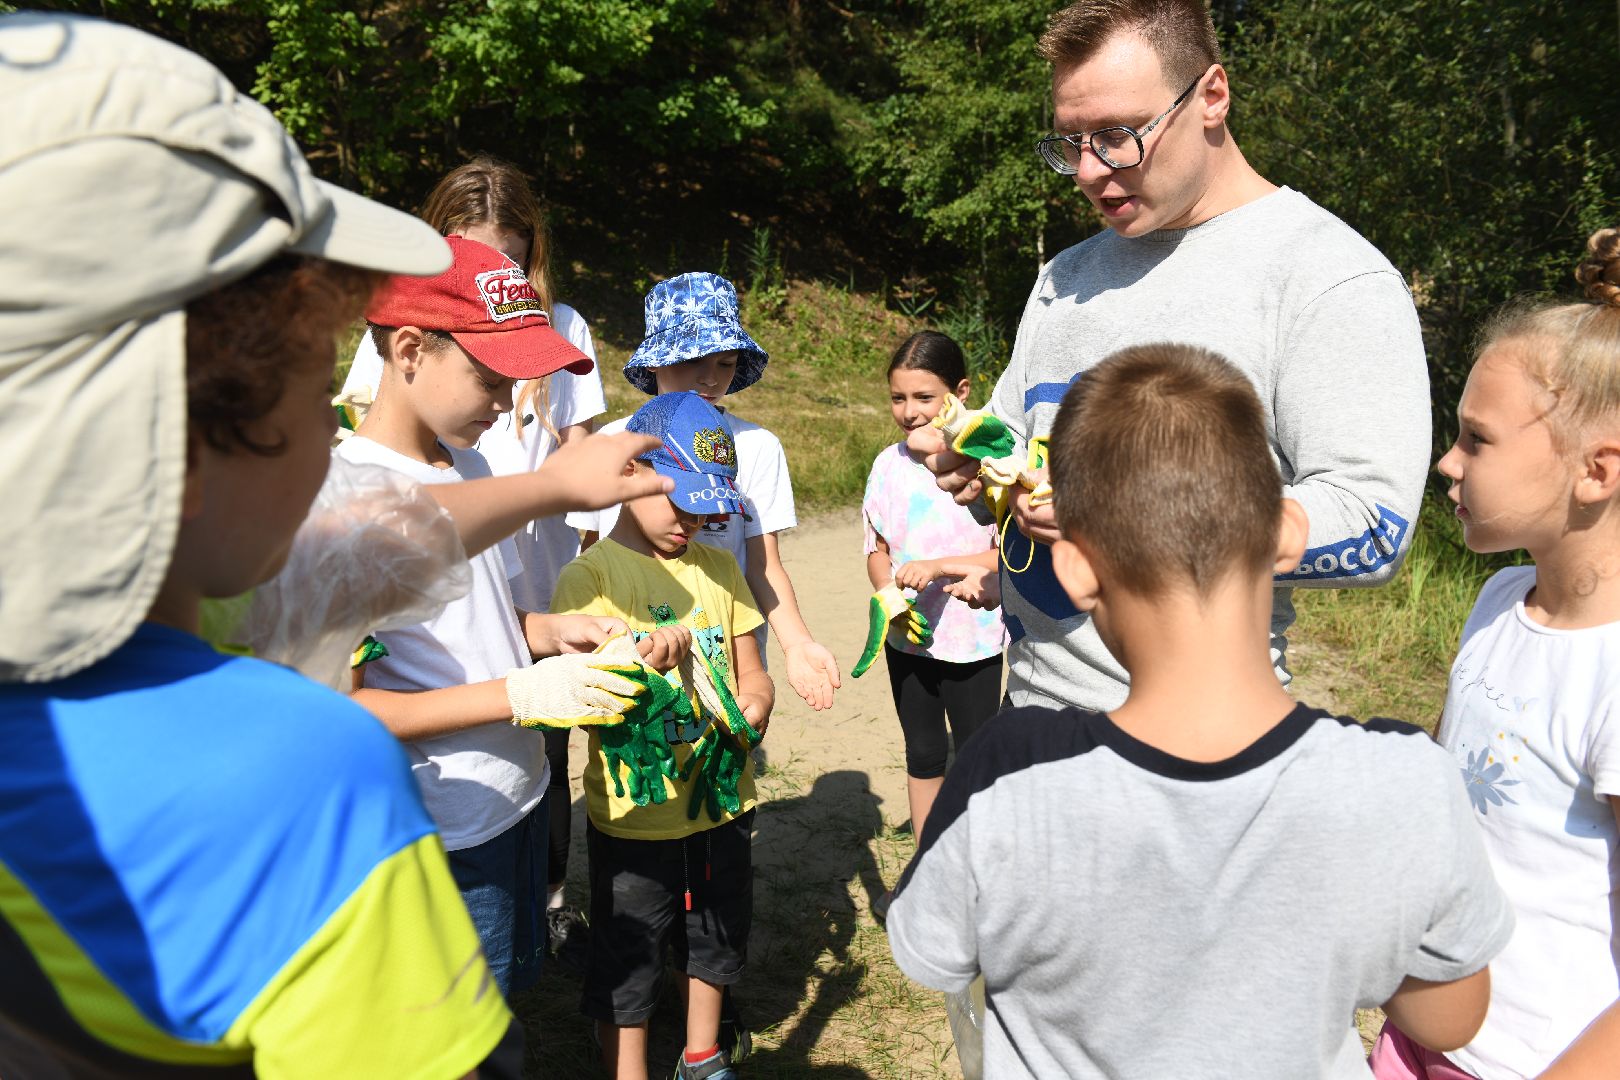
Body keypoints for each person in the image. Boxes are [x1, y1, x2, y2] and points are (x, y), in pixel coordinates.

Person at [0, 13, 643, 1075]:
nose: (334, 437)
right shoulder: (300, 780)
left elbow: (362, 548)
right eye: (311, 396)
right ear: (197, 435)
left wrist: (542, 513)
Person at [888, 344, 1514, 1079]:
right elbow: (1448, 1018)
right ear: (1285, 535)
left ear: (1076, 566)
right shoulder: (1404, 780)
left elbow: (934, 953)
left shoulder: (1007, 768)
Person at [929, 0, 1430, 713]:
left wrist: (1119, 520)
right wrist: (979, 463)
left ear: (1212, 97)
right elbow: (1021, 448)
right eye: (1071, 142)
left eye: (1117, 136)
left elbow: (1373, 524)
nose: (1088, 172)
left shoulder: (1327, 277)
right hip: (1028, 716)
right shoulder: (1063, 277)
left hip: (1197, 745)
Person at [340, 235, 662, 999]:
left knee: (508, 1001)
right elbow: (345, 707)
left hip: (515, 795)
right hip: (442, 826)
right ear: (410, 348)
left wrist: (553, 635)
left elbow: (494, 617)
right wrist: (521, 697)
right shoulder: (348, 498)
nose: (507, 402)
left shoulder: (475, 466)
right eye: (490, 378)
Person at [1369, 229, 1620, 1080]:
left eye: (1476, 440)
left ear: (1598, 470)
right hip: (1418, 1036)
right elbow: (1438, 804)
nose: (1447, 462)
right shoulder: (1497, 602)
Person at [551, 392, 774, 1080]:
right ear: (636, 476)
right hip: (634, 816)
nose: (695, 524)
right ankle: (627, 1064)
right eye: (681, 505)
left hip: (720, 802)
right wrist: (634, 671)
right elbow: (580, 702)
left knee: (714, 928)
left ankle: (702, 1055)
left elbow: (753, 672)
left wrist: (755, 707)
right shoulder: (590, 577)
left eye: (709, 511)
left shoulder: (719, 570)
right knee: (631, 945)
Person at [568, 272, 842, 712]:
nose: (709, 378)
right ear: (654, 360)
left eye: (725, 363)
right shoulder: (614, 442)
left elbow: (764, 565)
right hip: (635, 652)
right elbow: (593, 549)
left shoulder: (756, 446)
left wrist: (797, 644)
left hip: (724, 643)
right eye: (691, 359)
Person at [862, 331, 1006, 912]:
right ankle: (928, 875)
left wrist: (941, 565)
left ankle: (979, 883)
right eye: (898, 398)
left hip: (972, 643)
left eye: (924, 396)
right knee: (923, 754)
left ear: (961, 393)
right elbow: (875, 547)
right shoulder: (886, 466)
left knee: (975, 758)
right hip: (909, 643)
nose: (909, 411)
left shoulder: (991, 463)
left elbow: (1010, 556)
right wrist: (885, 595)